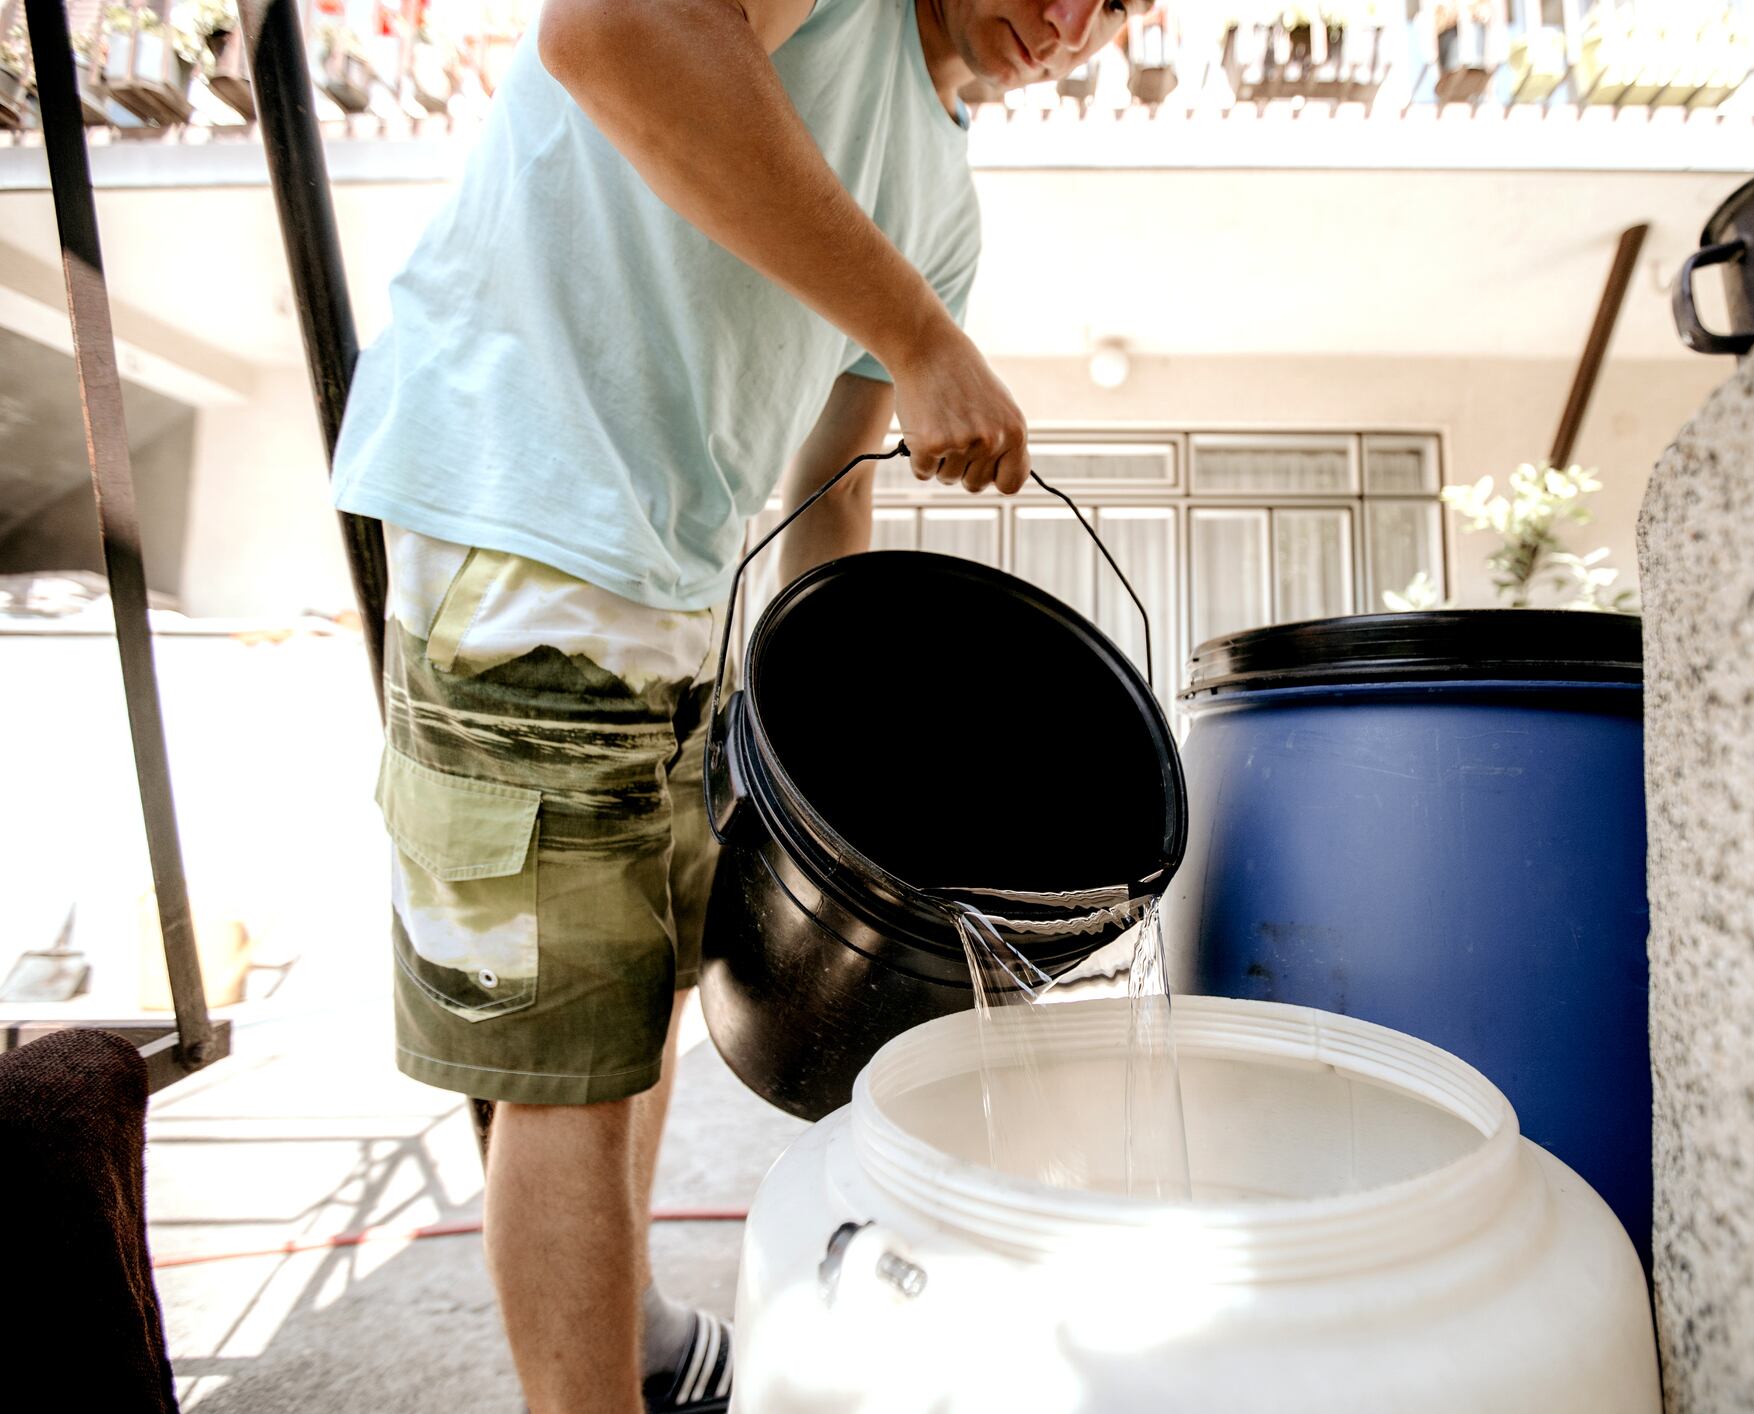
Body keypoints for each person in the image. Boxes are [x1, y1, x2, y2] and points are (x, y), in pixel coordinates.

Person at [328, 0, 1146, 1408]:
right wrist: (919, 331)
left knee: (636, 1014)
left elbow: (830, 482)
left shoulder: (940, 205)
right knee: (565, 1068)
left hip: (676, 595)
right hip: (527, 534)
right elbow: (610, 32)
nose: (1070, 21)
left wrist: (841, 736)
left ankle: (630, 1334)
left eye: (1119, 5)